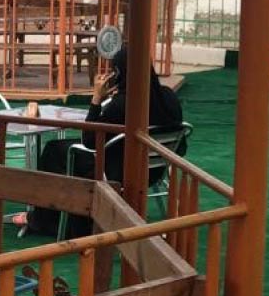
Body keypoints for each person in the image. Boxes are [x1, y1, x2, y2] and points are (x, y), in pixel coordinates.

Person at [20, 46, 184, 237]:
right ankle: (64, 217)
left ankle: (45, 220)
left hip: (118, 172)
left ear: (120, 73)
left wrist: (97, 100)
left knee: (54, 150)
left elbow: (89, 140)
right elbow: (181, 147)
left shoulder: (124, 103)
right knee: (61, 150)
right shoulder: (169, 97)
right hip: (155, 171)